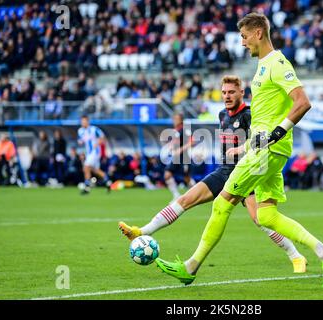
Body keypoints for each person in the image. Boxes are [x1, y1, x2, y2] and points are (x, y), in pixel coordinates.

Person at [156, 13, 323, 288]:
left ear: (258, 33)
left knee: (221, 203)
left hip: (267, 151)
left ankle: (190, 267)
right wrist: (245, 146)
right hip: (265, 150)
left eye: (244, 36)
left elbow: (302, 102)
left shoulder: (277, 64)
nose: (242, 43)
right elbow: (265, 118)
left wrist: (278, 132)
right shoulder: (263, 67)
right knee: (266, 215)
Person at [119, 75, 307, 273]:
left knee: (260, 219)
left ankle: (296, 256)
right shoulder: (221, 115)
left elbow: (259, 140)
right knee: (186, 199)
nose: (227, 96)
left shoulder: (249, 115)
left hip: (248, 172)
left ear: (241, 93)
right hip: (225, 171)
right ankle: (141, 231)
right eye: (224, 92)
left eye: (232, 92)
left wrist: (241, 151)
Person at [163, 113, 196, 202]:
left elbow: (192, 142)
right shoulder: (176, 131)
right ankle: (176, 195)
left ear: (181, 120)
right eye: (174, 119)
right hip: (176, 158)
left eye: (176, 119)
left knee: (187, 178)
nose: (174, 120)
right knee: (167, 175)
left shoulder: (185, 130)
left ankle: (197, 196)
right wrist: (171, 147)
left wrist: (180, 149)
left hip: (185, 157)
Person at [77, 115, 112, 194]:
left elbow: (102, 137)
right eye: (82, 121)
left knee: (86, 167)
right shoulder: (80, 131)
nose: (83, 123)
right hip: (88, 153)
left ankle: (86, 188)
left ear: (88, 121)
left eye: (84, 121)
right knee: (95, 170)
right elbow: (80, 141)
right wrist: (80, 143)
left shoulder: (94, 129)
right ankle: (108, 182)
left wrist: (97, 143)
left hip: (95, 152)